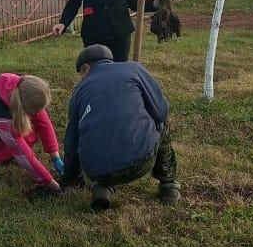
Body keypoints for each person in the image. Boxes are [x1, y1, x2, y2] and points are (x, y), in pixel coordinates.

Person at [61, 44, 180, 211]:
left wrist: (70, 178)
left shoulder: (79, 91)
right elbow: (161, 112)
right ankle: (169, 186)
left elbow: (71, 143)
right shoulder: (133, 69)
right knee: (162, 123)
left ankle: (101, 188)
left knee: (95, 135)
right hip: (142, 161)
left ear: (85, 68)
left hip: (97, 170)